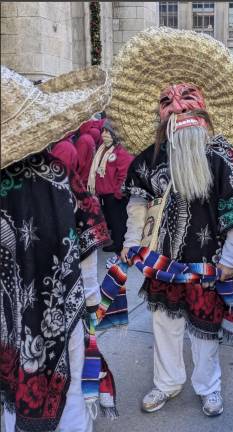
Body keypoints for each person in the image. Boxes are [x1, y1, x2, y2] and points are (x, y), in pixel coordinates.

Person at [108, 28, 233, 417]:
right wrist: (130, 240)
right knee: (163, 323)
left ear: (204, 109)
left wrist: (230, 258)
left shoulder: (221, 154)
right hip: (161, 262)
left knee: (205, 328)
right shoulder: (150, 155)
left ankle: (209, 387)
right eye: (168, 103)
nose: (177, 109)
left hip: (208, 263)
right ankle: (167, 382)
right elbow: (138, 203)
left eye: (187, 99)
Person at [1, 65, 111, 432]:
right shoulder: (60, 176)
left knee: (9, 395)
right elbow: (87, 249)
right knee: (72, 393)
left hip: (6, 319)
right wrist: (92, 299)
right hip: (59, 309)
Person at [87, 121, 134, 255]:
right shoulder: (104, 148)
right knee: (113, 220)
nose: (104, 135)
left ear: (115, 134)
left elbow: (124, 173)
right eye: (103, 131)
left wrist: (118, 193)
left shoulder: (121, 150)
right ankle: (116, 241)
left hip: (114, 194)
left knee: (118, 220)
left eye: (107, 132)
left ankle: (119, 244)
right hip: (106, 193)